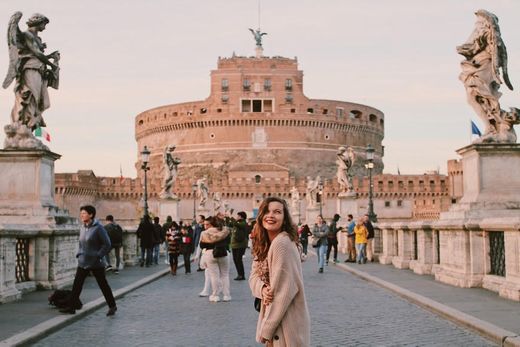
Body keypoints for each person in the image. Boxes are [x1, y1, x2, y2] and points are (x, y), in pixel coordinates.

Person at [249, 197, 310, 346]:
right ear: (261, 216)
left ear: (284, 218)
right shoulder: (265, 243)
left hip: (286, 322)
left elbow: (284, 290)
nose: (271, 216)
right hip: (277, 320)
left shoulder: (281, 243)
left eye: (277, 212)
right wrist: (262, 289)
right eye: (267, 212)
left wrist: (267, 329)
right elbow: (253, 276)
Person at [60, 205, 116, 316]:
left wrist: (98, 255)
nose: (82, 215)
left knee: (103, 285)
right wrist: (79, 253)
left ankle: (112, 306)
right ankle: (71, 307)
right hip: (83, 261)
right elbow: (81, 243)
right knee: (77, 285)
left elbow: (107, 244)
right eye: (81, 213)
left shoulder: (98, 228)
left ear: (91, 215)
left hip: (96, 262)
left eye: (84, 213)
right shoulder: (82, 227)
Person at [199, 216, 231, 302]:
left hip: (210, 254)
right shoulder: (225, 231)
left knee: (214, 276)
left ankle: (215, 295)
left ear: (211, 224)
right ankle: (226, 295)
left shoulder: (205, 233)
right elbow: (228, 241)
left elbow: (202, 246)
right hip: (223, 252)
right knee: (225, 275)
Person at [230, 211, 249, 281]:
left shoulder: (243, 223)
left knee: (238, 260)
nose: (236, 217)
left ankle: (241, 275)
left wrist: (231, 216)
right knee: (235, 260)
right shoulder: (237, 223)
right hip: (235, 245)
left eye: (237, 216)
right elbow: (231, 224)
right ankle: (239, 274)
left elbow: (237, 224)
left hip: (240, 245)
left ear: (241, 217)